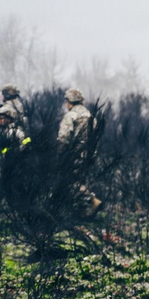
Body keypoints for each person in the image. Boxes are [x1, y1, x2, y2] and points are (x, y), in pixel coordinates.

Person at [57, 88, 101, 216]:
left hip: (73, 154)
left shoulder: (71, 116)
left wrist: (59, 154)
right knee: (79, 180)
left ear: (69, 102)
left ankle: (92, 200)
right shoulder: (91, 117)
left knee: (68, 181)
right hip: (89, 154)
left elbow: (64, 138)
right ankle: (82, 212)